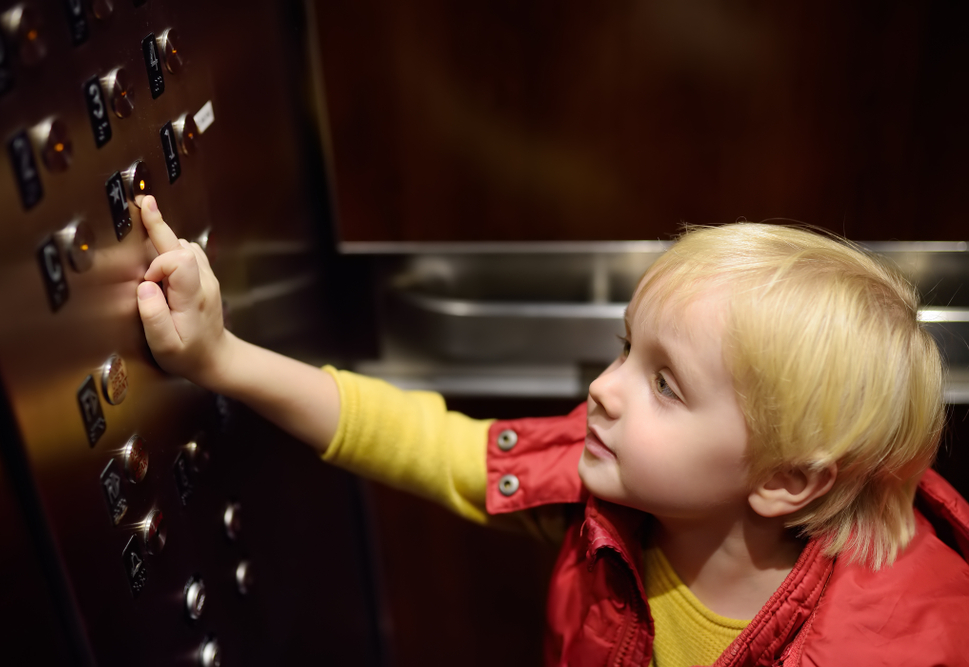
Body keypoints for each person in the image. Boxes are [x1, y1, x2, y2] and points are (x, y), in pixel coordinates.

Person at [134, 195, 969, 666]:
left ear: (787, 479)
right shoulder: (612, 488)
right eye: (625, 351)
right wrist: (221, 357)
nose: (603, 390)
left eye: (666, 384)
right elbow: (427, 442)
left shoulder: (900, 648)